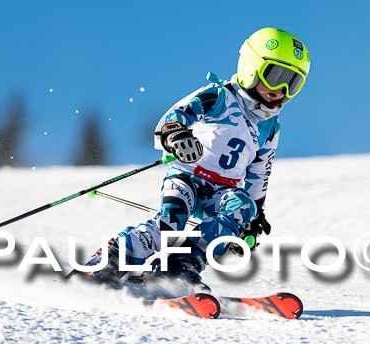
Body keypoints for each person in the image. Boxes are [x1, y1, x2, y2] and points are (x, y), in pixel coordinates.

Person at [76, 27, 311, 291]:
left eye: (292, 83)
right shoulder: (220, 96)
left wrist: (254, 215)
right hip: (187, 177)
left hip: (222, 190)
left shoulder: (270, 127)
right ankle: (110, 260)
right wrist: (177, 135)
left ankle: (180, 267)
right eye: (276, 76)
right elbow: (175, 117)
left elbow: (260, 173)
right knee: (168, 227)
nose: (281, 89)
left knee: (241, 207)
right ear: (251, 67)